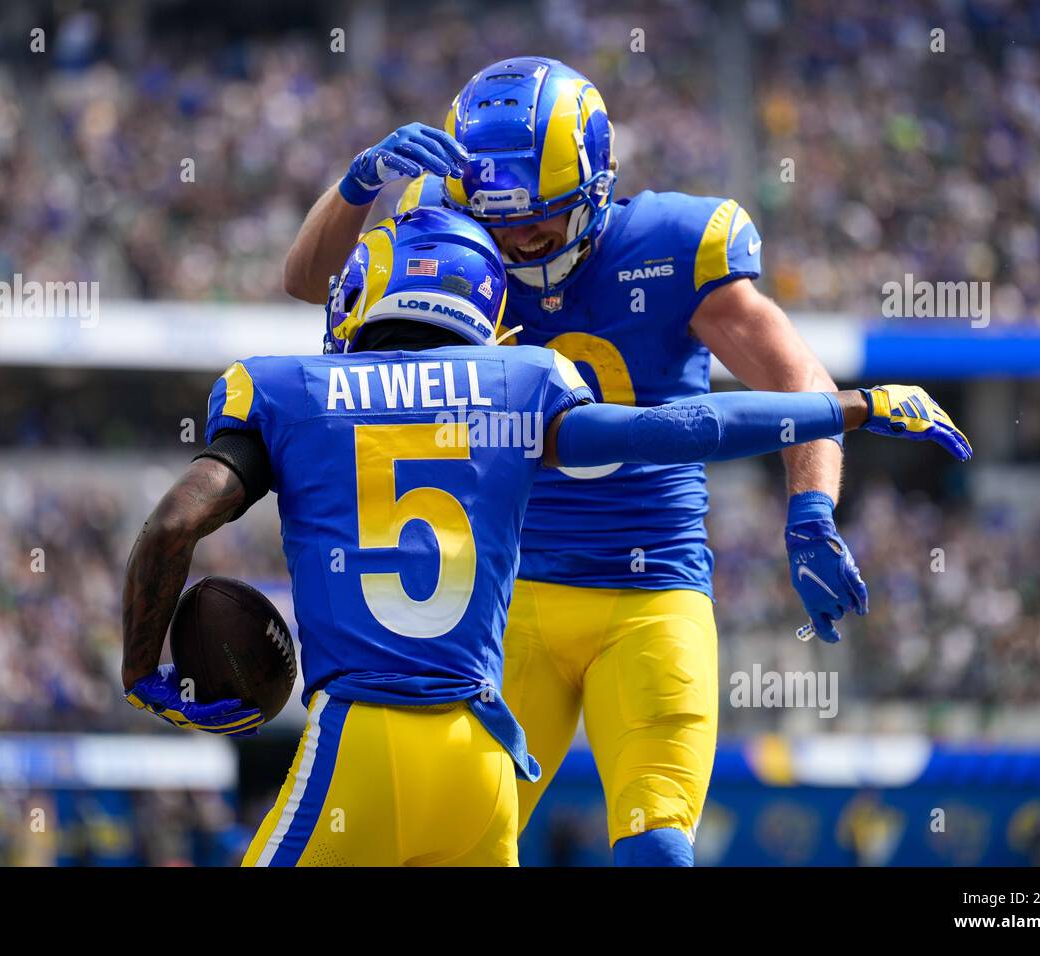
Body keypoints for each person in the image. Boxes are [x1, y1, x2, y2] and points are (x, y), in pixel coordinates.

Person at [123, 206, 970, 867]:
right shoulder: (522, 383)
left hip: (365, 739)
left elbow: (171, 527)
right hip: (483, 761)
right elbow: (675, 429)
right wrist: (848, 407)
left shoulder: (283, 389)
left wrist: (141, 674)